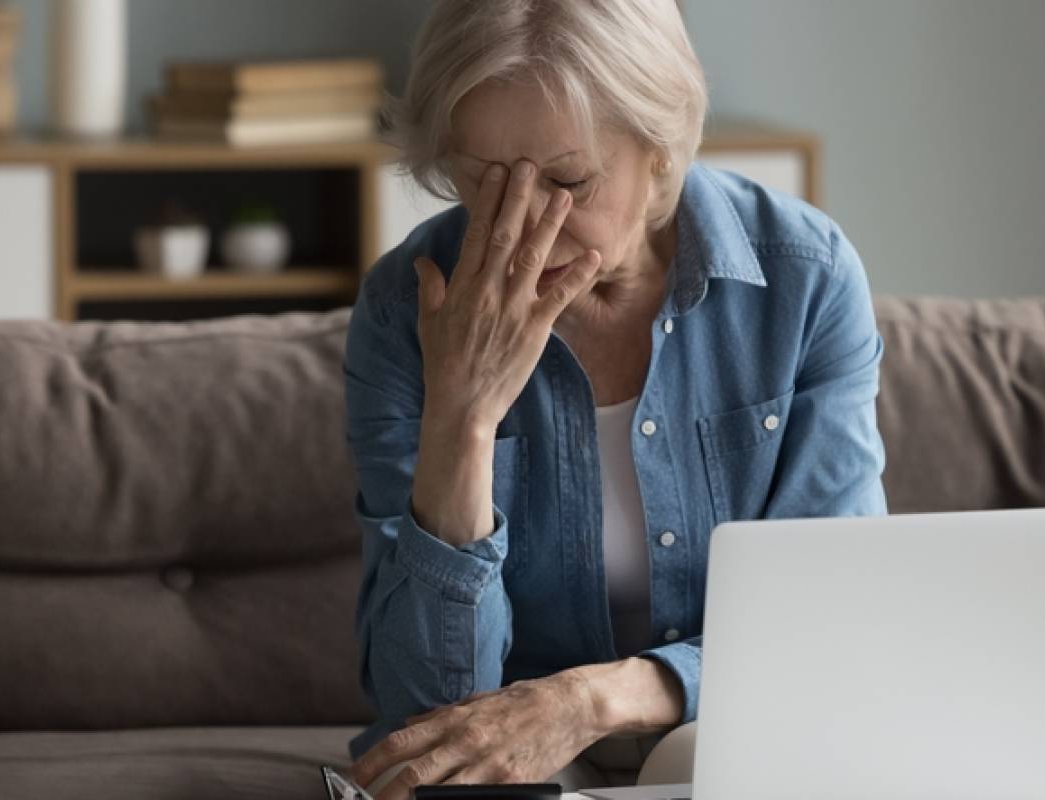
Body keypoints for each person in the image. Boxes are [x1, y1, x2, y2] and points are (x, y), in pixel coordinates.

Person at [343, 0, 886, 795]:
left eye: (566, 180)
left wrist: (591, 698)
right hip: (514, 750)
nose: (517, 229)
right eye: (480, 183)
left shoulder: (803, 278)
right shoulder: (404, 309)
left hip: (730, 725)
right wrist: (462, 416)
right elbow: (429, 703)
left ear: (661, 149)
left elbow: (833, 623)